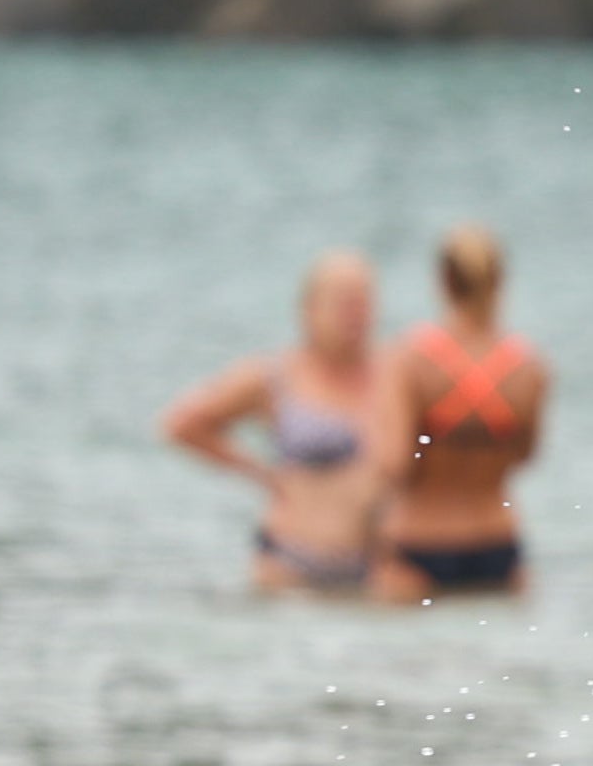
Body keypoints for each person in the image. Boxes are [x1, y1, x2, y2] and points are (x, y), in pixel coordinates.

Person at [159, 251, 384, 596]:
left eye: (363, 302)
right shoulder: (275, 375)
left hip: (375, 562)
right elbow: (183, 424)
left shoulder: (395, 376)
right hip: (289, 561)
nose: (355, 315)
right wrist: (260, 473)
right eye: (343, 303)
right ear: (308, 309)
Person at [366, 227, 552, 604]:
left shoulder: (408, 358)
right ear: (500, 281)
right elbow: (524, 455)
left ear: (443, 281)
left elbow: (393, 464)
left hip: (420, 540)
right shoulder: (529, 366)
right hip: (498, 542)